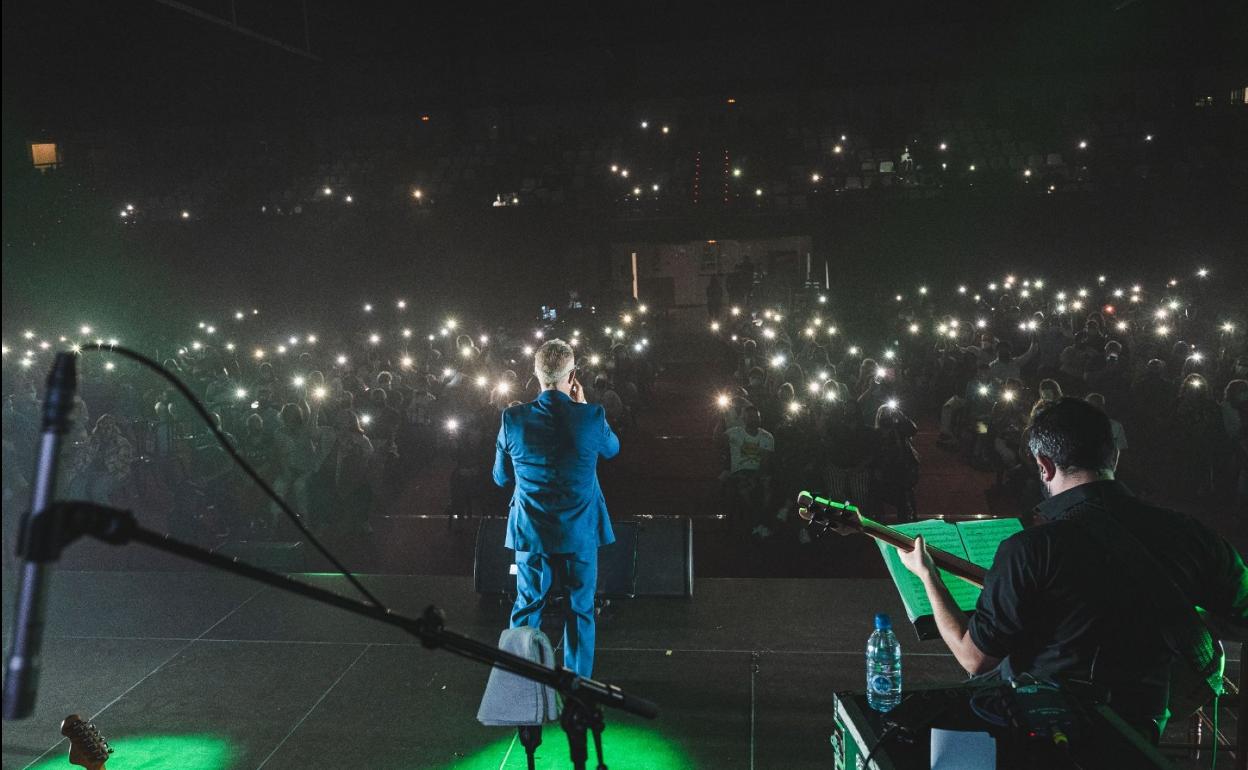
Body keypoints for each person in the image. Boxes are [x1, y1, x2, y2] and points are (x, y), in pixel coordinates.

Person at [897, 397, 1247, 741]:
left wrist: (929, 576)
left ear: (1044, 465)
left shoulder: (1031, 549)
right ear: (1114, 455)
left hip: (1049, 736)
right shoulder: (1188, 533)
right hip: (1139, 735)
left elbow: (974, 658)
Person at [492, 339, 620, 678]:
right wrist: (584, 405)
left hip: (531, 533)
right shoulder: (592, 416)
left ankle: (520, 680)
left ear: (535, 374)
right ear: (573, 375)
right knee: (580, 610)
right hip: (579, 533)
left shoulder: (512, 419)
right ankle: (578, 685)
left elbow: (500, 477)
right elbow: (613, 449)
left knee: (528, 607)